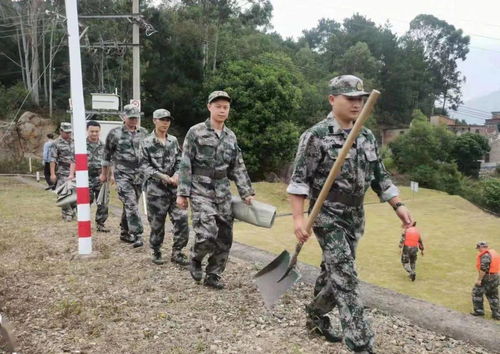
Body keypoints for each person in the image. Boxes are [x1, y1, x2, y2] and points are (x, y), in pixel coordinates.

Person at [287, 75, 413, 353]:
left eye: (360, 98)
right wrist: (298, 219)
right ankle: (361, 344)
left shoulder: (366, 135)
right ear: (333, 100)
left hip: (355, 215)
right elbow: (298, 181)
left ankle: (315, 314)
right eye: (350, 98)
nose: (357, 104)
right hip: (326, 214)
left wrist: (398, 206)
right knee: (345, 275)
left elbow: (380, 175)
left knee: (333, 273)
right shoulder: (316, 136)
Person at [176, 90, 254, 289]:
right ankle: (195, 258)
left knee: (225, 237)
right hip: (200, 189)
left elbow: (237, 165)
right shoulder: (196, 132)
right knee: (207, 232)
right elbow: (185, 163)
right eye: (218, 106)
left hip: (222, 191)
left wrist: (246, 192)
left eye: (225, 107)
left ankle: (213, 274)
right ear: (209, 107)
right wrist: (182, 193)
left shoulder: (230, 136)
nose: (221, 110)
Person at [141, 109, 189, 266]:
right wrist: (162, 177)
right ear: (155, 120)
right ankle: (156, 251)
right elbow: (143, 166)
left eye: (168, 120)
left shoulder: (173, 141)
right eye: (162, 119)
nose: (165, 123)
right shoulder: (146, 142)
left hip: (174, 189)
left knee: (181, 219)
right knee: (157, 223)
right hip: (156, 190)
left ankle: (178, 252)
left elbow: (179, 160)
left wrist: (176, 175)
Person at [100, 104, 148, 247]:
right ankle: (137, 234)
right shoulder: (114, 133)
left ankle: (125, 232)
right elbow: (106, 156)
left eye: (136, 118)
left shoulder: (144, 132)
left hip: (139, 175)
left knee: (129, 204)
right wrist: (104, 174)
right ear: (124, 117)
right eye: (131, 117)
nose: (134, 120)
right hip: (122, 173)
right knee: (131, 203)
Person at [86, 120, 110, 233]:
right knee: (86, 201)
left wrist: (109, 176)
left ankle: (101, 223)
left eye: (96, 131)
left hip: (101, 177)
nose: (94, 134)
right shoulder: (81, 145)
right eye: (92, 131)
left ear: (99, 131)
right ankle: (84, 223)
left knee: (103, 202)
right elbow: (74, 161)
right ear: (87, 131)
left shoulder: (104, 147)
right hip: (86, 178)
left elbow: (109, 162)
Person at [50, 122, 76, 221]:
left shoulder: (74, 141)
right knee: (63, 193)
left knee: (74, 192)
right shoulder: (56, 143)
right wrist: (52, 174)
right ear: (61, 131)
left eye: (69, 132)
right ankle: (67, 213)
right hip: (63, 171)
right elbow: (53, 160)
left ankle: (73, 211)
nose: (68, 134)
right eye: (66, 132)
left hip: (75, 171)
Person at [471, 241, 499, 320]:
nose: (478, 250)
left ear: (481, 247)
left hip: (488, 277)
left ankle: (479, 311)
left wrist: (479, 280)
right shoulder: (493, 253)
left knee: (476, 292)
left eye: (478, 248)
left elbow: (483, 269)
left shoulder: (485, 256)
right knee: (493, 295)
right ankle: (496, 313)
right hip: (496, 276)